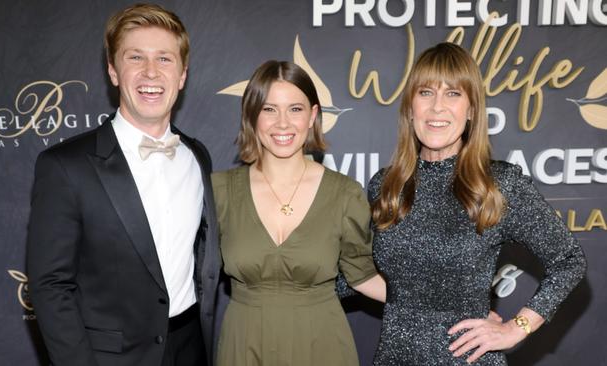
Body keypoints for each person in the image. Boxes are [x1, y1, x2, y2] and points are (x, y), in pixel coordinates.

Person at [368, 42, 587, 365]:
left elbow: (569, 260)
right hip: (394, 356)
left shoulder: (498, 184)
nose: (437, 107)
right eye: (426, 92)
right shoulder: (385, 186)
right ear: (410, 106)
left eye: (453, 94)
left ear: (471, 110)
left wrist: (518, 326)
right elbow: (353, 275)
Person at [27, 4, 220, 366]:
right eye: (136, 57)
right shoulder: (65, 167)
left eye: (165, 59)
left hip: (191, 348)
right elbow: (50, 286)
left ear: (182, 75)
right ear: (114, 71)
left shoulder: (197, 156)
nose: (151, 72)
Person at [212, 60, 386, 366]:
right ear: (251, 116)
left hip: (323, 346)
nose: (283, 123)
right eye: (269, 109)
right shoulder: (220, 192)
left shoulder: (344, 193)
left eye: (295, 109)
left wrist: (451, 307)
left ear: (313, 116)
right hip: (243, 347)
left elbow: (363, 276)